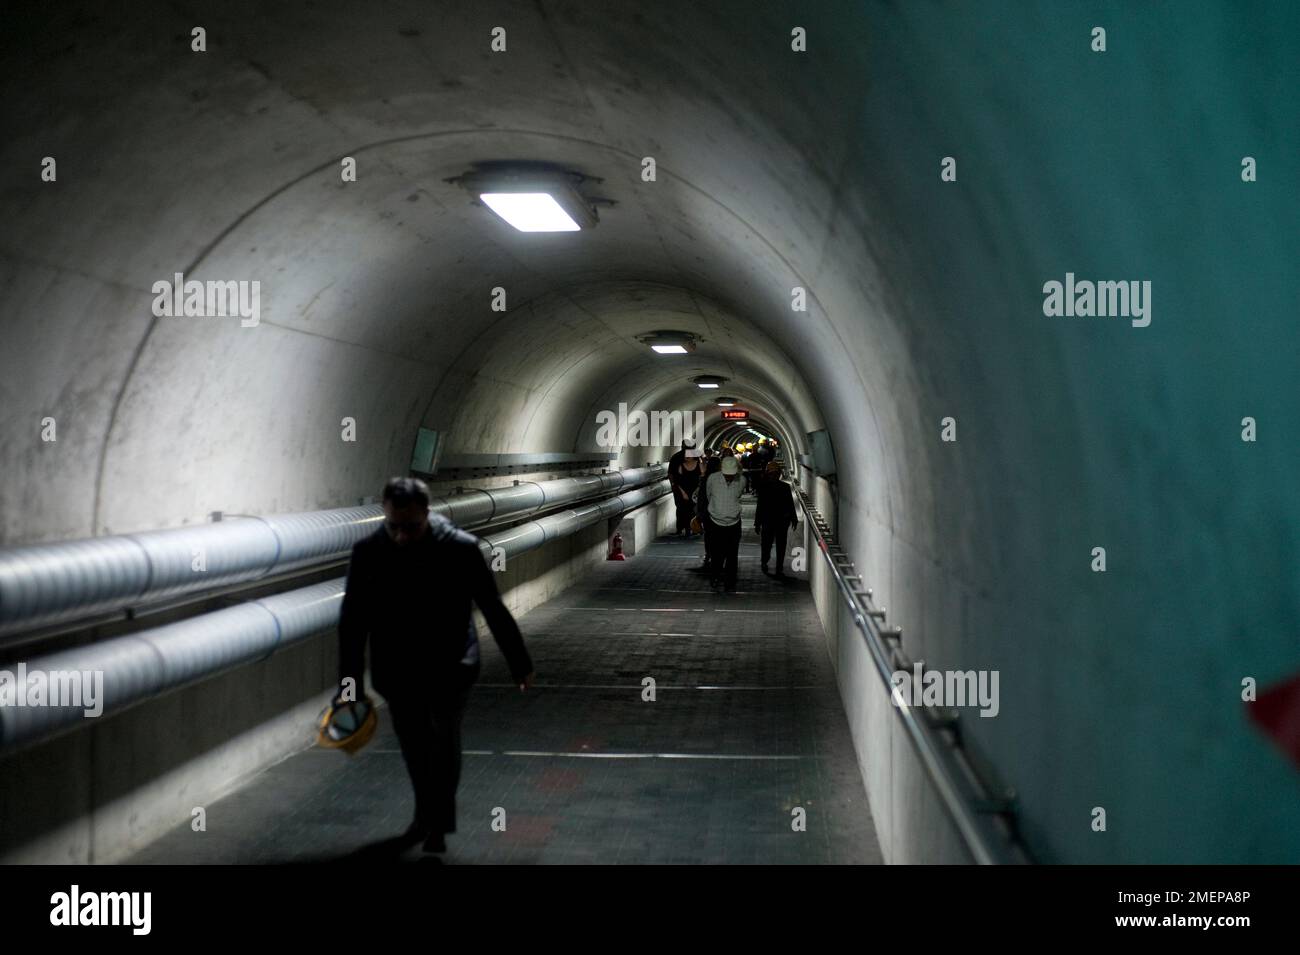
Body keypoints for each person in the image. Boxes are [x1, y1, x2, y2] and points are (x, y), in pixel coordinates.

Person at [337, 476, 535, 854]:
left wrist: (519, 663)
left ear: (428, 513)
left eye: (410, 527)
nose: (401, 537)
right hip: (397, 669)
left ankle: (436, 822)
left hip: (452, 663)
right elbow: (352, 624)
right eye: (393, 526)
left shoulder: (460, 550)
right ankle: (425, 813)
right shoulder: (368, 552)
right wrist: (350, 687)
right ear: (385, 515)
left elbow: (492, 606)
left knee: (444, 738)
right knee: (414, 744)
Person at [705, 455, 745, 592]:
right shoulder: (712, 479)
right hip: (715, 522)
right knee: (716, 553)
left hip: (734, 523)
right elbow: (708, 495)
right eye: (726, 475)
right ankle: (715, 576)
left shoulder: (742, 480)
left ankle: (730, 581)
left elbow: (738, 495)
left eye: (731, 475)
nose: (729, 477)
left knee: (732, 554)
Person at [754, 461, 798, 577]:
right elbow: (760, 506)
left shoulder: (766, 487)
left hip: (774, 521)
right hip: (778, 521)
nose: (773, 475)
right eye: (772, 473)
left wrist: (794, 518)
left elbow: (790, 504)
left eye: (775, 473)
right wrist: (757, 522)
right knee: (775, 544)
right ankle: (773, 565)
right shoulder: (781, 487)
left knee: (769, 544)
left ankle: (771, 564)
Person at [691, 455, 722, 574]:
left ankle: (709, 554)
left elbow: (701, 499)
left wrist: (699, 513)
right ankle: (717, 555)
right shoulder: (721, 479)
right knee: (718, 535)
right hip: (718, 512)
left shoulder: (704, 479)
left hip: (706, 512)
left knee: (708, 535)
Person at [672, 448, 702, 536]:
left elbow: (702, 478)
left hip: (695, 491)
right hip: (684, 491)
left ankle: (695, 528)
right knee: (684, 510)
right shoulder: (681, 466)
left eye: (689, 455)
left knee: (694, 510)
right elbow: (677, 481)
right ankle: (686, 528)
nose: (687, 456)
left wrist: (698, 490)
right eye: (686, 455)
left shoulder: (699, 465)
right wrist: (683, 493)